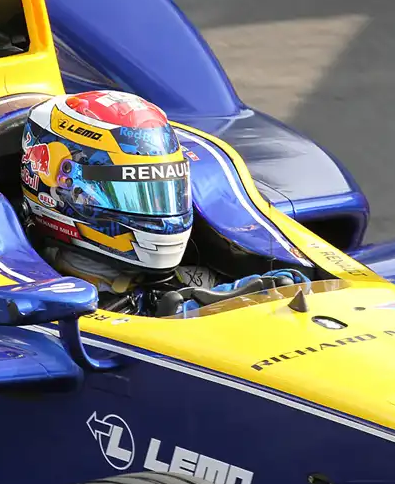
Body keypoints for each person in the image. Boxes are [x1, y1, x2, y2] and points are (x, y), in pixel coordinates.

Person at [19, 90, 309, 316]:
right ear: (63, 184)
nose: (156, 210)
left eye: (160, 190)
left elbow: (287, 283)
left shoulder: (194, 278)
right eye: (130, 192)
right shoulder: (27, 289)